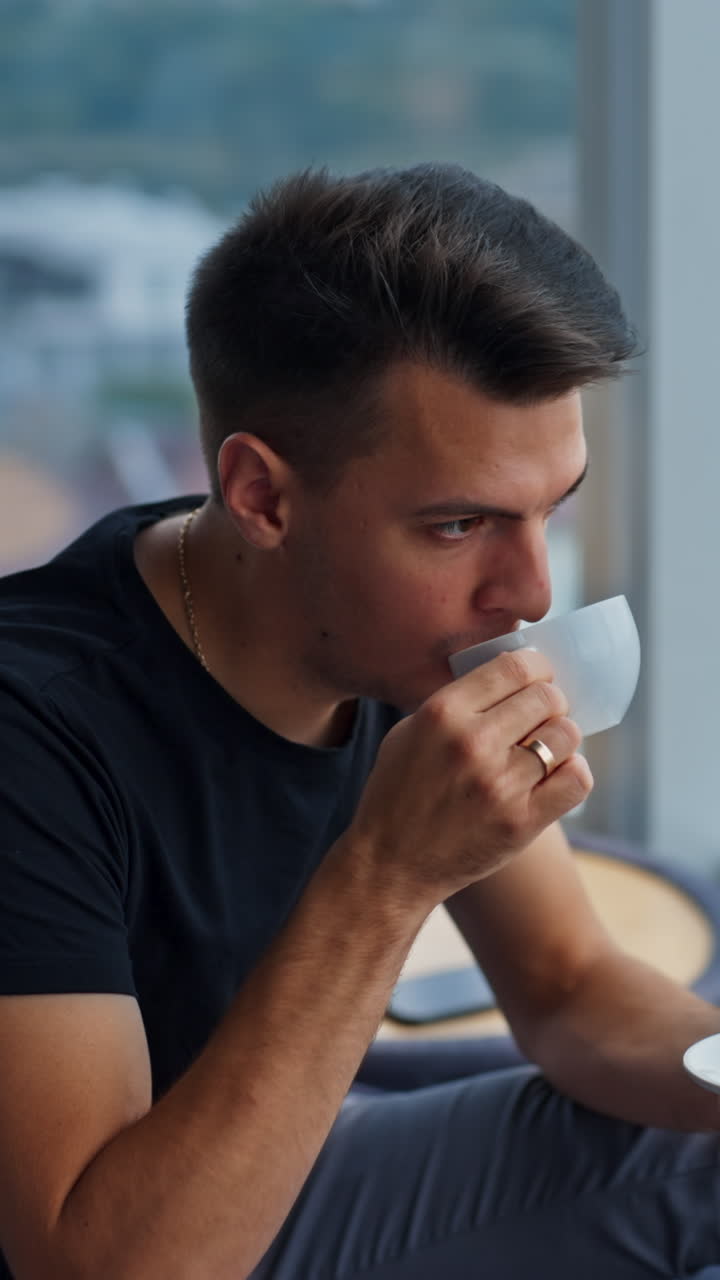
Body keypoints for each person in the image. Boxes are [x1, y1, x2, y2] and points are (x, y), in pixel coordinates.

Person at [0, 164, 718, 1280]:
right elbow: (103, 1264)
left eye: (550, 510)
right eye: (460, 522)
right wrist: (388, 871)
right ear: (262, 497)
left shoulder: (397, 638)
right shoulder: (34, 733)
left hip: (289, 1180)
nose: (527, 591)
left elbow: (571, 983)